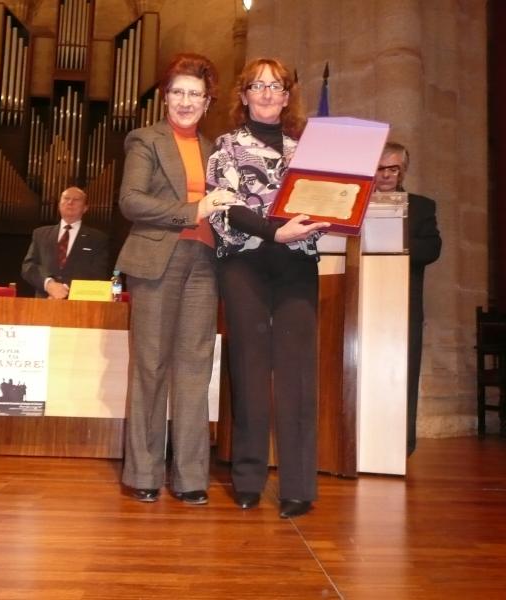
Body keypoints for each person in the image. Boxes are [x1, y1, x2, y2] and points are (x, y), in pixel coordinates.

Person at [206, 57, 329, 519]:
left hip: (297, 265)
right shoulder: (225, 148)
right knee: (250, 370)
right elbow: (226, 206)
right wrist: (275, 232)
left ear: (286, 96)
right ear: (243, 95)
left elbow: (326, 202)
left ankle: (298, 486)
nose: (267, 93)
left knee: (297, 374)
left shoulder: (308, 151)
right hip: (245, 265)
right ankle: (248, 478)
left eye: (276, 86)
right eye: (257, 85)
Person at [116, 53, 238, 505]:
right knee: (150, 366)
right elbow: (131, 200)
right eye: (178, 92)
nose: (186, 101)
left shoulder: (217, 151)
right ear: (165, 97)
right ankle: (144, 472)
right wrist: (194, 209)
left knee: (194, 369)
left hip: (204, 264)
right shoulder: (145, 140)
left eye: (195, 94)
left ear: (208, 102)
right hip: (156, 261)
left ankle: (189, 477)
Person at [374, 141, 442, 456]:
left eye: (394, 169)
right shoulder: (354, 204)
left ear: (403, 171)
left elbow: (431, 249)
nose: (387, 175)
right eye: (380, 168)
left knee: (402, 373)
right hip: (361, 297)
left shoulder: (422, 206)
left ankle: (401, 445)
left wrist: (391, 240)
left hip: (403, 302)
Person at [21, 187, 109, 298]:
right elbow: (28, 267)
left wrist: (64, 291)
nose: (70, 202)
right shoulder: (40, 234)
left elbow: (98, 274)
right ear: (59, 205)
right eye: (66, 198)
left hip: (79, 302)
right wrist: (49, 285)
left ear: (85, 208)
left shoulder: (97, 238)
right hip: (44, 301)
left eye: (76, 199)